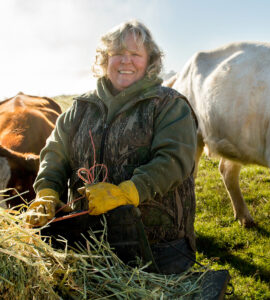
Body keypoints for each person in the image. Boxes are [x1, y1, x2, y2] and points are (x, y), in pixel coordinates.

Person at [25, 19, 197, 274]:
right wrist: (47, 192)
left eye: (135, 54)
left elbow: (174, 159)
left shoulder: (168, 105)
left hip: (159, 249)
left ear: (150, 61)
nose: (126, 61)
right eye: (117, 54)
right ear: (105, 60)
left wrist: (128, 192)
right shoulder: (81, 108)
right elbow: (56, 151)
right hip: (87, 245)